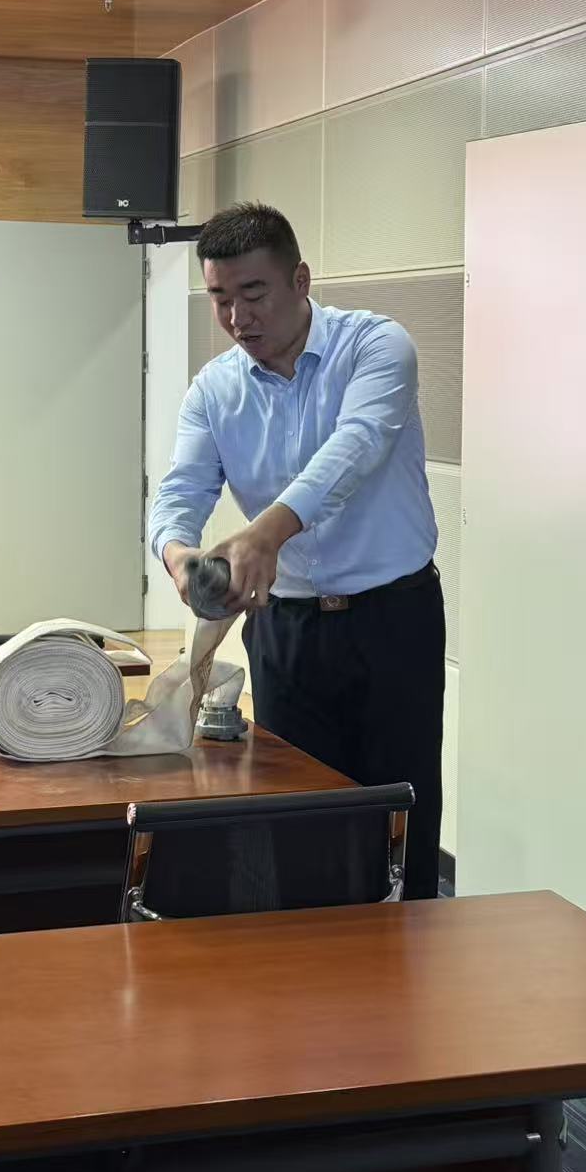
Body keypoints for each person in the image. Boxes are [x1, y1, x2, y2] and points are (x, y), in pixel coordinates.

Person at [148, 201, 446, 899]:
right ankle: (313, 963)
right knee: (299, 821)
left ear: (300, 280)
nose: (237, 317)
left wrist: (265, 531)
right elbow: (180, 491)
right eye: (220, 298)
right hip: (285, 629)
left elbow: (356, 447)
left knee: (400, 815)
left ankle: (409, 959)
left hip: (392, 620)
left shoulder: (376, 347)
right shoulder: (215, 390)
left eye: (254, 293)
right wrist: (179, 556)